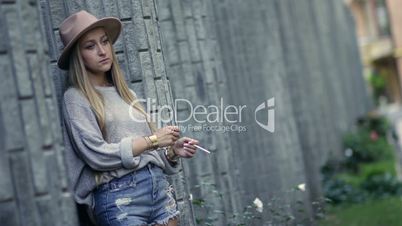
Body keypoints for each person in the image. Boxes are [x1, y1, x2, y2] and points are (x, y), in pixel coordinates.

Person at [58, 10, 199, 226]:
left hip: (158, 189)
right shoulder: (75, 98)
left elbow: (148, 152)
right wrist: (153, 140)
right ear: (78, 56)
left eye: (105, 42)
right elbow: (96, 155)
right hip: (119, 197)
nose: (102, 51)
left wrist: (171, 152)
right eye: (90, 46)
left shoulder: (127, 95)